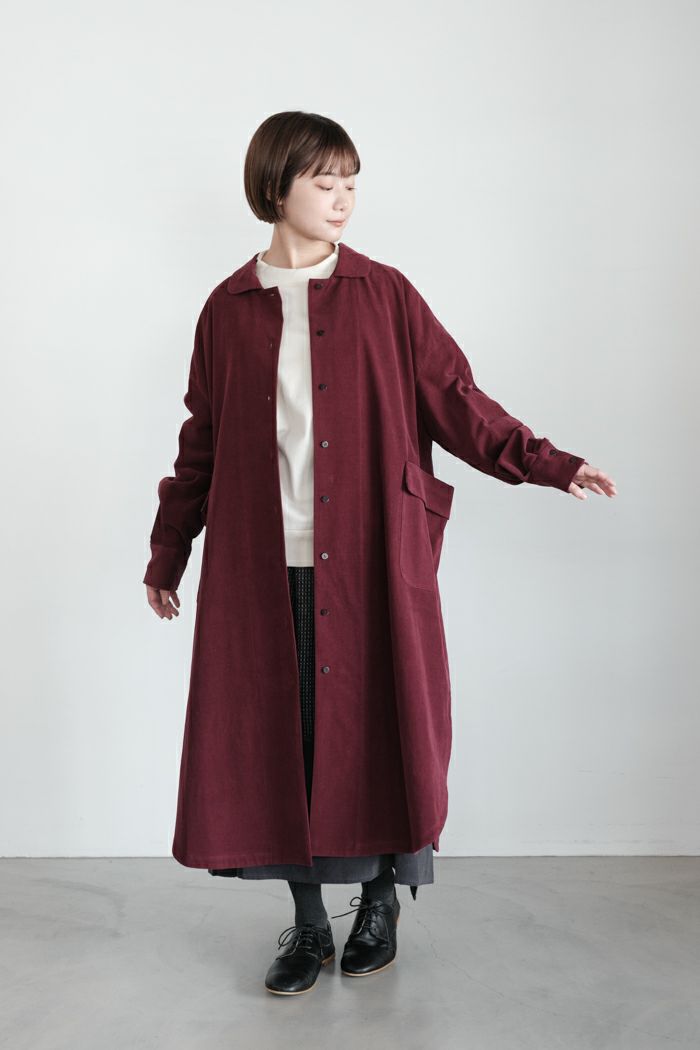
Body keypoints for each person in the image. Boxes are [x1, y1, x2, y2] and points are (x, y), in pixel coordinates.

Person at [144, 111, 617, 997]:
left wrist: (550, 463)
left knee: (379, 728)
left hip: (368, 555)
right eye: (325, 182)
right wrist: (169, 551)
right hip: (262, 564)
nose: (343, 199)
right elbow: (200, 440)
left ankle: (381, 905)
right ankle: (309, 924)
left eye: (351, 183)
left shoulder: (386, 295)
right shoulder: (227, 309)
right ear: (275, 187)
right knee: (283, 744)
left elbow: (457, 400)